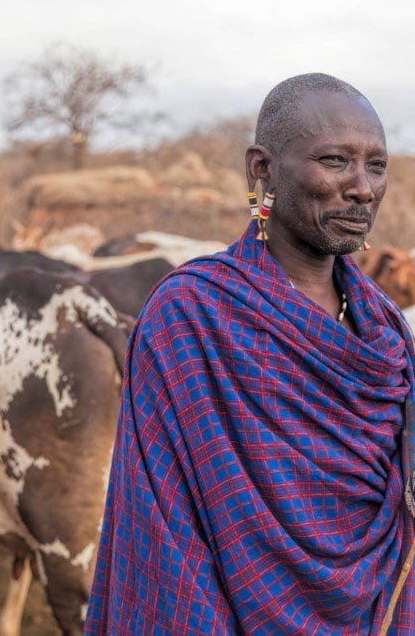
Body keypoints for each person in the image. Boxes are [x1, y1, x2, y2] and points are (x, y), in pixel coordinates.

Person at [85, 73, 415, 634]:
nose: (362, 187)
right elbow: (165, 531)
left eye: (376, 165)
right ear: (262, 170)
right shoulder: (191, 315)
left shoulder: (388, 334)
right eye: (335, 161)